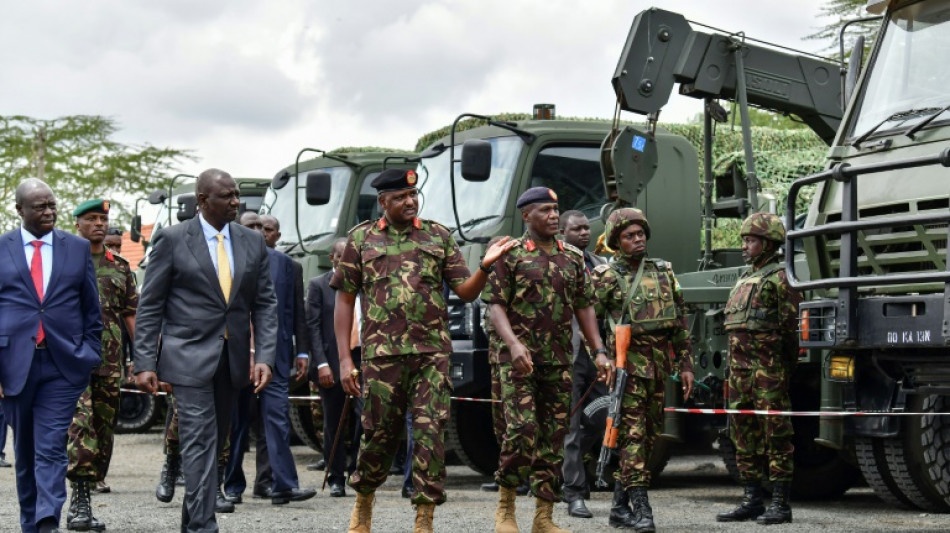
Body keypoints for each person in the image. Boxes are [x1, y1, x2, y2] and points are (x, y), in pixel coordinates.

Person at [332, 168, 516, 533]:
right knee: (378, 435)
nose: (410, 201)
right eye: (400, 197)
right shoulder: (362, 239)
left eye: (413, 195)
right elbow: (344, 300)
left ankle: (424, 519)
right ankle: (363, 506)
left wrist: (484, 266)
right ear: (383, 201)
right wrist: (343, 359)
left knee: (430, 435)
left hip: (431, 356)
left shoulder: (437, 236)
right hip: (382, 357)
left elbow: (465, 292)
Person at [133, 168, 278, 533]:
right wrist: (144, 361)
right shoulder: (172, 239)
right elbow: (151, 305)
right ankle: (203, 526)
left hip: (231, 362)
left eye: (236, 194)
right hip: (187, 357)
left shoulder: (252, 241)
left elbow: (265, 304)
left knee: (214, 446)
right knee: (199, 439)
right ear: (202, 200)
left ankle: (192, 522)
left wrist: (263, 356)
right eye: (226, 196)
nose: (235, 202)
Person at [484, 187, 609, 533]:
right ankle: (506, 509)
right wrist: (513, 345)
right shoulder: (508, 256)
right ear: (526, 216)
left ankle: (543, 517)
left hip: (557, 360)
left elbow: (584, 305)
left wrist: (598, 350)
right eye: (544, 210)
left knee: (554, 438)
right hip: (517, 361)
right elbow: (494, 305)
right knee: (521, 431)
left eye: (556, 210)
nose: (554, 216)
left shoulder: (571, 257)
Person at [0, 178, 103, 533]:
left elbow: (92, 309)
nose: (49, 212)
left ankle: (47, 522)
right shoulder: (2, 248)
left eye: (52, 205)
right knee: (25, 453)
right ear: (20, 210)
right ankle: (31, 521)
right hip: (13, 365)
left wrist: (89, 353)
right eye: (40, 207)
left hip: (62, 365)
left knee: (50, 446)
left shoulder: (76, 248)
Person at [591, 208, 695, 532]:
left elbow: (679, 320)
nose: (637, 240)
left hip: (660, 367)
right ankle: (642, 510)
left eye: (640, 234)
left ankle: (619, 508)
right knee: (633, 437)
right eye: (628, 236)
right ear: (616, 242)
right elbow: (587, 321)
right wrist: (599, 357)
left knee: (648, 439)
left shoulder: (664, 272)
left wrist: (686, 364)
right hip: (628, 367)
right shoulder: (606, 277)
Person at [223, 212, 315, 505]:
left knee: (277, 418)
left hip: (276, 356)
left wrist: (302, 350)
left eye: (263, 228)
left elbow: (296, 313)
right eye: (251, 227)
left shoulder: (288, 265)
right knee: (236, 423)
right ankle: (233, 485)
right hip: (237, 356)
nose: (258, 232)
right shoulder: (227, 259)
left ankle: (282, 485)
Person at [716, 212, 801, 525]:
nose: (744, 246)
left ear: (768, 243)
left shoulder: (781, 278)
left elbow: (791, 330)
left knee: (777, 435)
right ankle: (751, 498)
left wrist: (780, 369)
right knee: (742, 435)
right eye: (743, 240)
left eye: (750, 240)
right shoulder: (743, 279)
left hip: (768, 371)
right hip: (739, 374)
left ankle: (781, 503)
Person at [65, 199, 138, 532]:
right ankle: (79, 502)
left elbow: (131, 315)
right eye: (91, 219)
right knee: (81, 427)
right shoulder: (64, 261)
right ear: (77, 223)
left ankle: (92, 483)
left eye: (103, 219)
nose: (99, 224)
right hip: (70, 360)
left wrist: (144, 359)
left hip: (108, 362)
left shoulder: (121, 267)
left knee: (105, 430)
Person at [557, 210, 608, 519]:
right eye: (576, 229)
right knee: (571, 427)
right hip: (569, 354)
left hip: (598, 353)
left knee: (602, 418)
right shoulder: (558, 263)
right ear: (563, 232)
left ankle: (566, 469)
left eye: (586, 228)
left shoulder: (600, 265)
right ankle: (574, 491)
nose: (584, 233)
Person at [306, 237, 363, 498]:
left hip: (363, 360)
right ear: (332, 259)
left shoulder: (366, 285)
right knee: (333, 422)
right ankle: (336, 477)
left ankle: (357, 471)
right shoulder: (319, 285)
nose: (347, 262)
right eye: (342, 257)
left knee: (366, 418)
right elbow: (313, 328)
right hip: (331, 361)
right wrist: (321, 363)